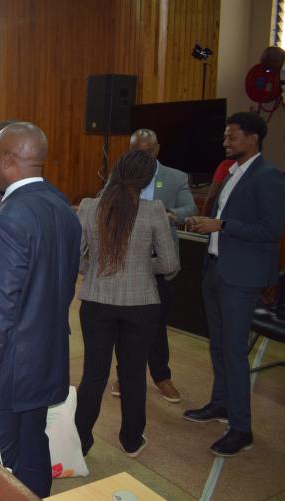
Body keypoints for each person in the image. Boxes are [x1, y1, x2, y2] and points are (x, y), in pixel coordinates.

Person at [0, 122, 81, 498]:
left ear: (8, 159)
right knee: (33, 448)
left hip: (4, 372)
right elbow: (62, 288)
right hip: (42, 360)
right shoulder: (62, 208)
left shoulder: (8, 220)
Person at [185, 112, 285, 456]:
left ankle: (241, 428)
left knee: (234, 351)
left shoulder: (269, 177)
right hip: (216, 269)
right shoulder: (230, 173)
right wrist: (210, 225)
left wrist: (222, 225)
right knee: (218, 345)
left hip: (241, 277)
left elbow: (271, 230)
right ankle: (221, 403)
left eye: (233, 137)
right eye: (226, 137)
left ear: (253, 138)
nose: (226, 143)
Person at [75, 150, 178, 460]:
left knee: (93, 374)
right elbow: (170, 263)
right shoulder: (154, 210)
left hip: (96, 302)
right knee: (133, 374)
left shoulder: (91, 207)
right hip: (142, 304)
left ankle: (80, 442)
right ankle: (131, 440)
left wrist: (94, 270)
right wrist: (142, 268)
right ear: (147, 181)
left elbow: (75, 256)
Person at [109, 129, 196, 403]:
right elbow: (105, 199)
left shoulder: (175, 177)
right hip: (126, 260)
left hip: (160, 261)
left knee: (155, 323)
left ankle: (161, 376)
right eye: (136, 151)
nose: (141, 156)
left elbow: (189, 208)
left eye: (146, 151)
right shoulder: (120, 174)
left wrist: (170, 215)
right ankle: (124, 376)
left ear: (157, 149)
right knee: (124, 322)